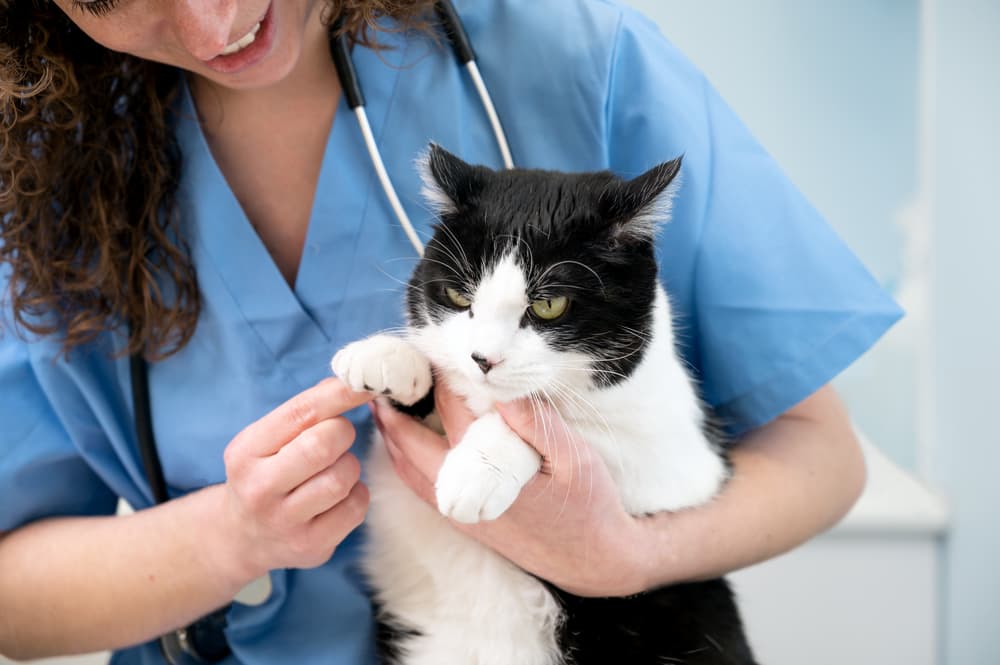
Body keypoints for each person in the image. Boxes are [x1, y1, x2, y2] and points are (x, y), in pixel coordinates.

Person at [0, 0, 902, 663]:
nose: (212, 24)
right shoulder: (39, 179)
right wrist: (231, 536)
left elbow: (822, 454)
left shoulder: (577, 58)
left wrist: (624, 555)